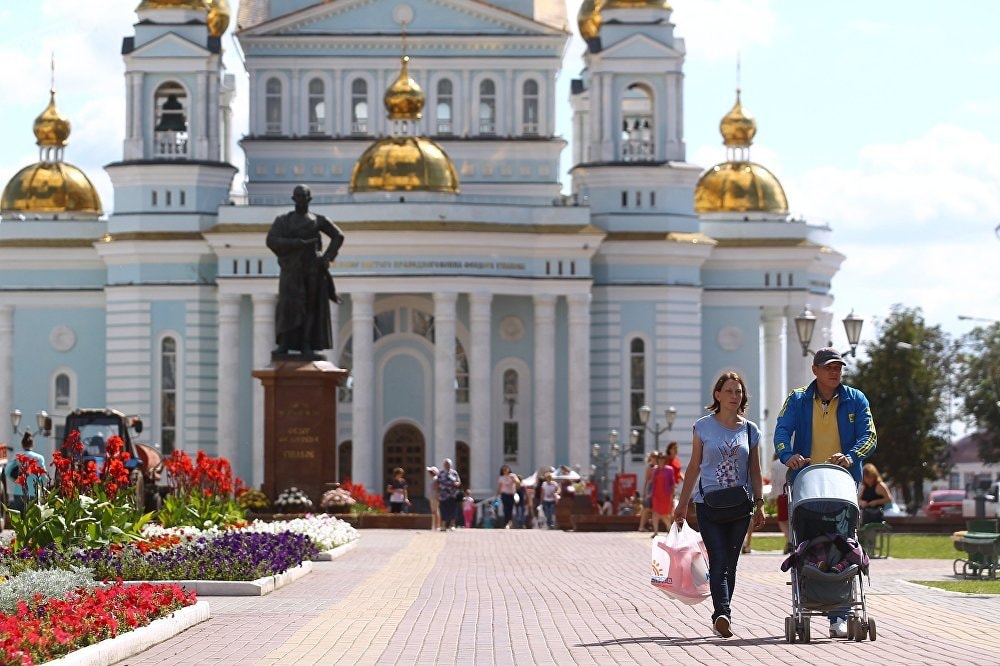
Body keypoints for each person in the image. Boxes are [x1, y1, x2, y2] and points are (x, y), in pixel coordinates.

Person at [774, 346, 878, 639]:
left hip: (842, 486)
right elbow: (781, 432)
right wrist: (788, 455)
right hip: (805, 485)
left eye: (838, 367)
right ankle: (806, 601)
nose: (835, 372)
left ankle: (839, 616)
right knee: (805, 544)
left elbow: (870, 436)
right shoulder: (797, 399)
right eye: (829, 367)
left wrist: (851, 455)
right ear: (815, 370)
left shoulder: (856, 399)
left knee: (843, 543)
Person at [673, 371, 765, 639]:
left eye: (738, 392)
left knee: (731, 563)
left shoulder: (751, 430)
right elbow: (693, 467)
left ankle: (721, 614)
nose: (734, 396)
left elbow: (756, 470)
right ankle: (722, 613)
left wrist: (760, 504)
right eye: (729, 391)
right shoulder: (703, 426)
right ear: (717, 395)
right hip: (708, 504)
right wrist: (682, 504)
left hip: (739, 506)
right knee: (718, 559)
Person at [266, 184, 345, 357]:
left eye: (304, 197)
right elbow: (271, 240)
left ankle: (306, 344)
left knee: (310, 308)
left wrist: (327, 257)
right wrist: (296, 244)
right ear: (294, 199)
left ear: (309, 199)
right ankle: (284, 344)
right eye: (298, 196)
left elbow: (338, 235)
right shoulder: (283, 221)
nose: (301, 200)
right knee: (288, 306)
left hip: (311, 270)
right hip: (291, 271)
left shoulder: (317, 220)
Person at [5, 432, 47, 514]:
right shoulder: (39, 458)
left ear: (22, 444)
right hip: (34, 493)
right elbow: (44, 477)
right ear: (32, 444)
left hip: (18, 492)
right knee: (32, 518)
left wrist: (15, 480)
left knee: (19, 518)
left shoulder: (18, 455)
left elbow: (7, 471)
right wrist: (41, 487)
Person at [650, 451, 677, 538]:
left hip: (666, 494)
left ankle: (669, 529)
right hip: (656, 494)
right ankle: (655, 532)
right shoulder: (655, 469)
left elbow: (672, 483)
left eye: (662, 458)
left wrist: (673, 494)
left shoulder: (669, 469)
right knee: (655, 513)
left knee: (665, 514)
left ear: (665, 460)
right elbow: (652, 482)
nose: (661, 460)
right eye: (659, 458)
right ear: (657, 460)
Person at [768, 453, 791, 553]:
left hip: (781, 494)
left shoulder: (775, 464)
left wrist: (771, 498)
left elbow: (774, 482)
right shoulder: (791, 460)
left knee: (782, 520)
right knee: (791, 519)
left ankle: (789, 539)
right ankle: (790, 540)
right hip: (792, 493)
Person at [436, 459, 462, 531]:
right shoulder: (441, 473)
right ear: (444, 465)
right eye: (446, 464)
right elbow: (437, 483)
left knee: (453, 510)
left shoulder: (454, 473)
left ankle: (452, 525)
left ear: (451, 465)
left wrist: (456, 484)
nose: (447, 465)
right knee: (443, 510)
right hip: (443, 495)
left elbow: (458, 482)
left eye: (448, 464)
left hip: (452, 495)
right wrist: (438, 493)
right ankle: (443, 525)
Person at [637, 452, 657, 532]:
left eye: (656, 456)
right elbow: (647, 480)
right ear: (650, 457)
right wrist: (645, 492)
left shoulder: (658, 466)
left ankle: (651, 526)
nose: (655, 458)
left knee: (653, 509)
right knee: (647, 508)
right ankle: (641, 526)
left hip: (656, 489)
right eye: (653, 456)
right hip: (650, 489)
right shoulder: (649, 467)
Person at [494, 464, 520, 529]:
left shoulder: (512, 475)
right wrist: (496, 495)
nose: (505, 471)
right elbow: (499, 486)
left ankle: (510, 522)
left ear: (508, 470)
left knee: (510, 508)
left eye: (506, 470)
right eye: (504, 470)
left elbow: (518, 482)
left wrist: (514, 479)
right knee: (505, 508)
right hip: (504, 494)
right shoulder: (501, 477)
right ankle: (506, 522)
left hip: (511, 494)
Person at [426, 466, 441, 531]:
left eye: (430, 472)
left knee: (436, 511)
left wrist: (438, 496)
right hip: (432, 496)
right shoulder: (433, 479)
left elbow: (437, 487)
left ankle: (437, 525)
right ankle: (434, 525)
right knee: (434, 511)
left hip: (435, 496)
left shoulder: (435, 479)